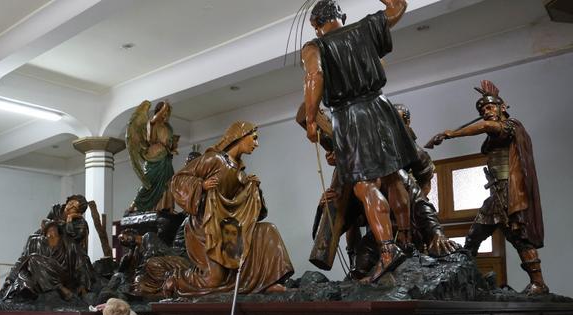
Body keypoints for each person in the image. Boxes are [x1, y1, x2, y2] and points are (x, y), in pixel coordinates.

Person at [302, 0, 417, 282]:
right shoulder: (365, 26)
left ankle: (389, 252)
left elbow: (314, 76)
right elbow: (398, 7)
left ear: (316, 26)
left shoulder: (315, 46)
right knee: (393, 176)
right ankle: (406, 241)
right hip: (381, 105)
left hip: (351, 116)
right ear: (341, 15)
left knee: (365, 185)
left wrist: (310, 117)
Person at [145, 121, 293, 296]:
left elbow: (249, 210)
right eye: (253, 138)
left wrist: (253, 190)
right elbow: (178, 180)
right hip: (205, 227)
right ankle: (176, 281)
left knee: (268, 230)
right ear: (240, 136)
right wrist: (201, 185)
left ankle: (268, 281)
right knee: (214, 280)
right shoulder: (214, 159)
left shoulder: (240, 172)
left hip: (229, 227)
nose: (256, 144)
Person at [428, 80, 548, 295]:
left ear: (503, 108)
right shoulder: (496, 132)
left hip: (508, 192)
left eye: (490, 107)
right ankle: (465, 279)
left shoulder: (510, 126)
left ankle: (538, 283)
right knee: (474, 237)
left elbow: (487, 126)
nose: (486, 112)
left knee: (519, 238)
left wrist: (451, 134)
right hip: (495, 194)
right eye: (483, 109)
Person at [126, 100, 179, 213]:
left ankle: (167, 207)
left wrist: (173, 147)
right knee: (149, 182)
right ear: (159, 112)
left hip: (165, 157)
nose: (166, 115)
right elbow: (150, 139)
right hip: (154, 156)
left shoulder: (168, 127)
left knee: (169, 181)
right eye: (164, 112)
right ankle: (135, 204)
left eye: (167, 113)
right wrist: (163, 109)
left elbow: (169, 143)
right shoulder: (152, 123)